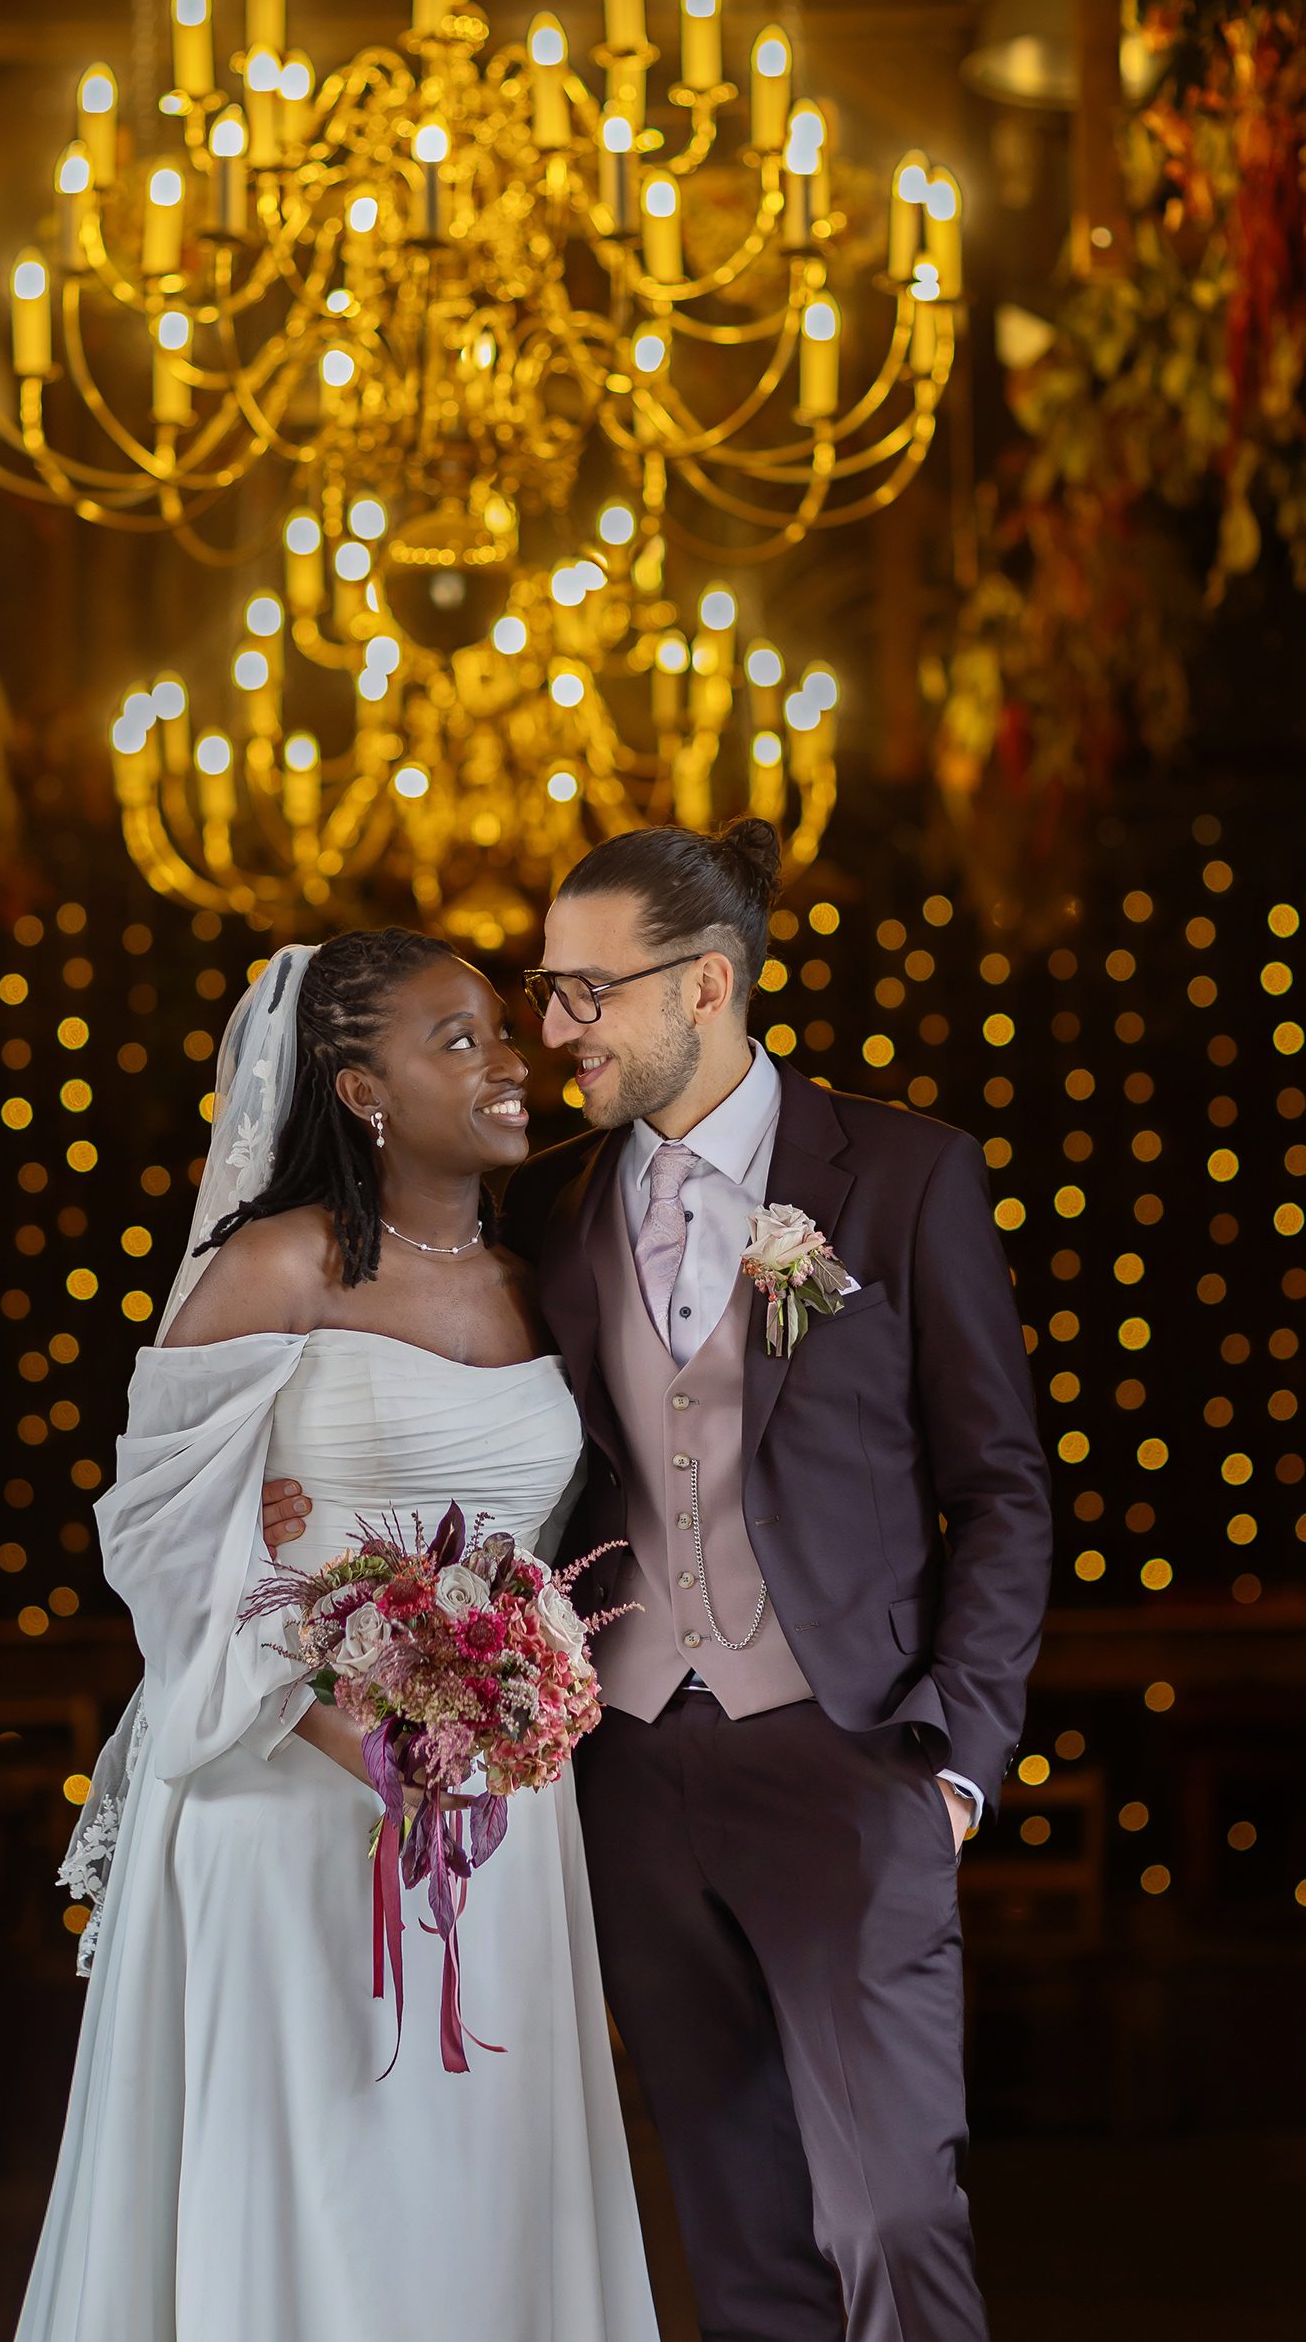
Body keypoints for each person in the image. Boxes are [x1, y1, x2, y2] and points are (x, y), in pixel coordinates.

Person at [265, 818, 1055, 2342]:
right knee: (734, 2210)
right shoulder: (553, 1203)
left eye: (583, 993)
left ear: (706, 987)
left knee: (889, 2209)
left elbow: (1002, 1488)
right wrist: (302, 1495)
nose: (548, 1031)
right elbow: (507, 1445)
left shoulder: (901, 1173)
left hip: (851, 1748)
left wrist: (957, 1761)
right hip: (623, 1764)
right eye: (544, 993)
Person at [10, 930, 659, 2342]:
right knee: (318, 2166)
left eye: (500, 1035)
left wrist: (506, 1698)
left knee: (482, 2180)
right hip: (295, 1788)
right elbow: (160, 1527)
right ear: (362, 1091)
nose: (508, 1066)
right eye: (461, 1042)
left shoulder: (538, 1275)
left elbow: (553, 1534)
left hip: (496, 1809)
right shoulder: (279, 1262)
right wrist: (343, 1708)